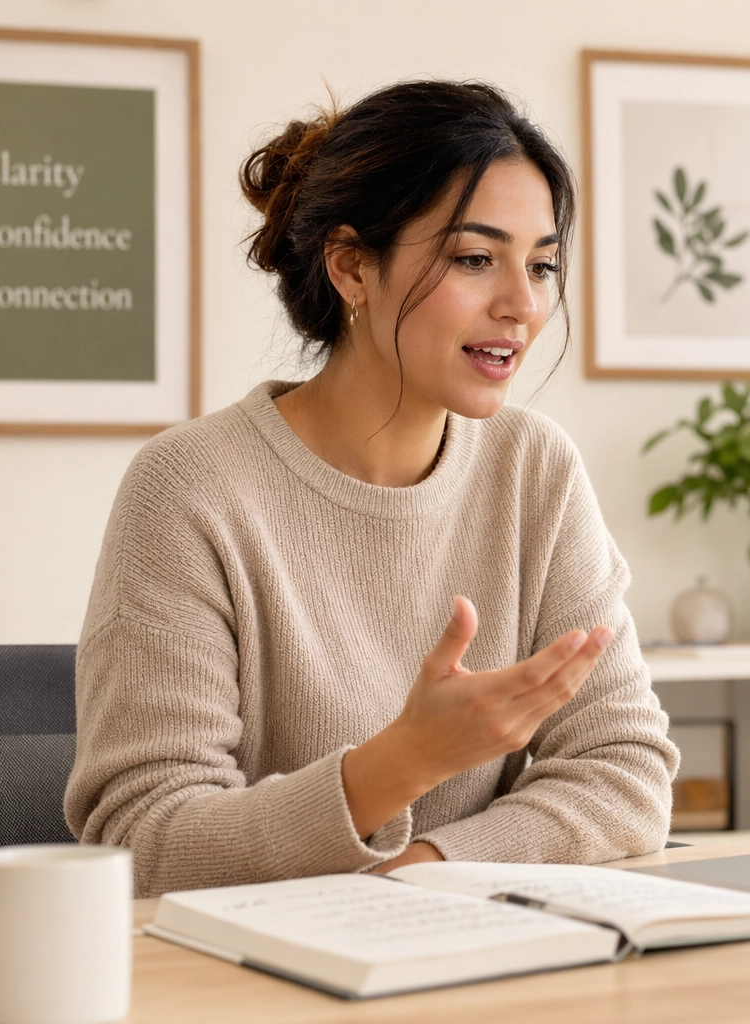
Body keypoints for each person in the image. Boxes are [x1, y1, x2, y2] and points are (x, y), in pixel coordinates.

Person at [64, 81, 679, 898]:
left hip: (474, 952)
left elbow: (626, 771)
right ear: (352, 267)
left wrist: (426, 873)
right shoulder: (191, 488)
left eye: (540, 265)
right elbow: (143, 838)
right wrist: (403, 763)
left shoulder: (536, 470)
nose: (522, 305)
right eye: (473, 258)